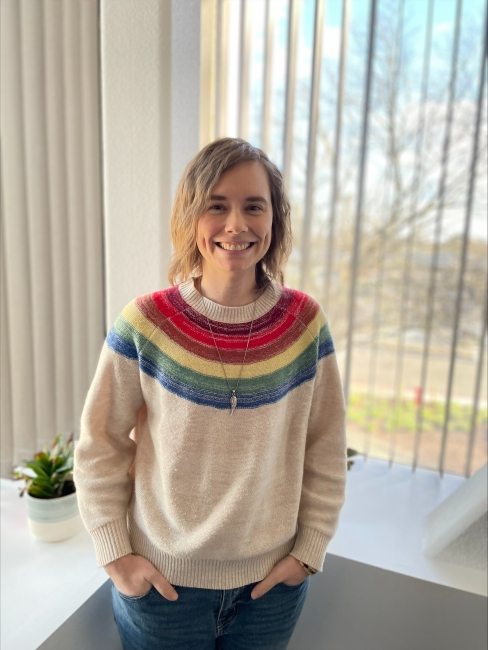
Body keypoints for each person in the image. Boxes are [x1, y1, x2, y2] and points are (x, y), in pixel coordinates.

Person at [73, 137, 347, 650]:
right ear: (191, 216)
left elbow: (326, 446)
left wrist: (308, 551)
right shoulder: (146, 322)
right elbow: (99, 444)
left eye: (254, 206)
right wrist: (115, 556)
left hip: (270, 593)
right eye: (217, 206)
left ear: (274, 218)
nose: (236, 225)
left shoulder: (304, 324)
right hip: (164, 592)